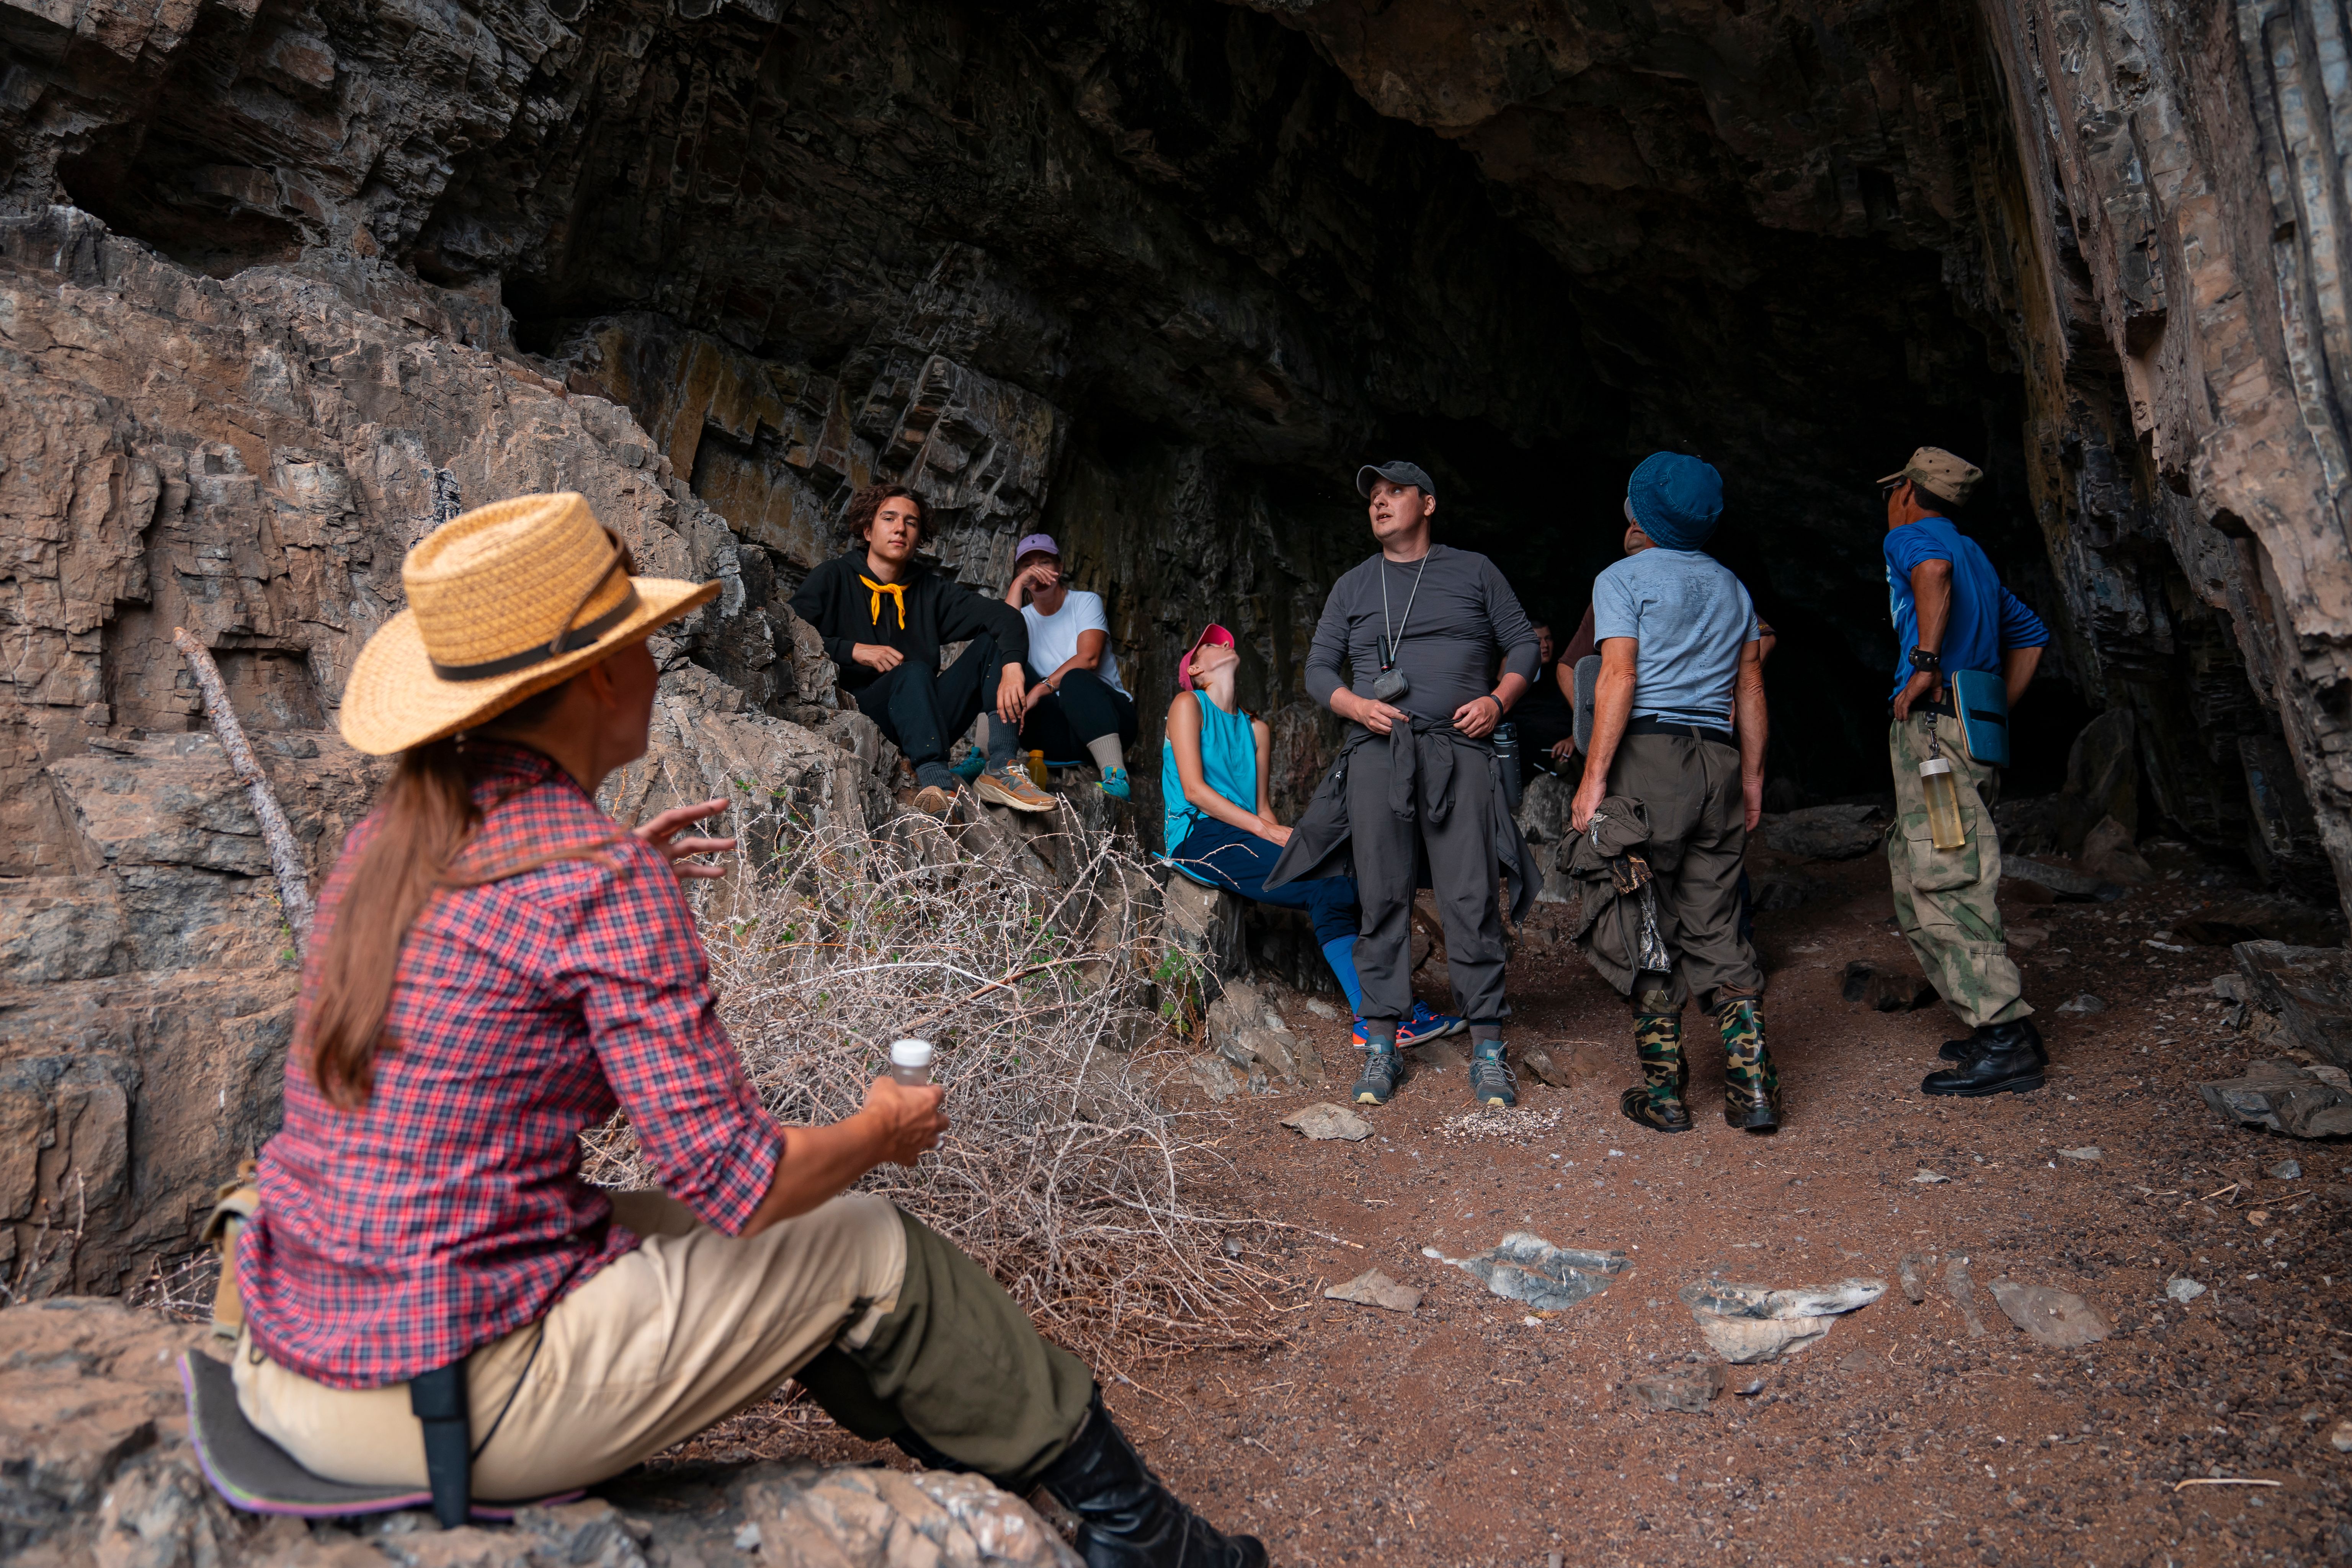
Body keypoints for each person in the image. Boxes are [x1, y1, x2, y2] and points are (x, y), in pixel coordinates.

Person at [230, 492, 1263, 1568]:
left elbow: (498, 980)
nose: (654, 659)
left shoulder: (397, 838)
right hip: (438, 1398)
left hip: (299, 1349)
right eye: (641, 641)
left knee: (659, 1219)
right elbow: (744, 1183)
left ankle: (1043, 1495)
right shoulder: (591, 883)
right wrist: (879, 1129)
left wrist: (621, 865)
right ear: (594, 679)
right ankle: (1147, 1539)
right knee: (862, 1238)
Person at [1270, 459, 1544, 1110]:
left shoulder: (1473, 570)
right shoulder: (1353, 586)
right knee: (1381, 897)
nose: (1379, 503)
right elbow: (1315, 669)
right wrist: (1354, 706)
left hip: (1459, 751)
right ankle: (1383, 1045)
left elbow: (1524, 647)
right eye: (1372, 496)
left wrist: (1499, 702)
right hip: (1375, 754)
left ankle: (1486, 1049)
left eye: (1394, 493)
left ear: (1427, 503)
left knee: (1470, 895)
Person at [1566, 452, 1778, 1135]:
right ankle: (1751, 1089)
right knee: (1715, 919)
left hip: (1646, 759)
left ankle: (1664, 1095)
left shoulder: (1621, 579)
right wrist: (1749, 776)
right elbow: (1749, 687)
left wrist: (1594, 777)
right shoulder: (1733, 590)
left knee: (1642, 916)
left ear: (1638, 512)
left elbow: (1616, 678)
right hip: (1716, 757)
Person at [1162, 622, 1463, 1050]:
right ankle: (1372, 1018)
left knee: (1352, 877)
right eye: (1208, 644)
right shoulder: (1187, 704)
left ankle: (1400, 1006)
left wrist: (1294, 841)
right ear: (1195, 669)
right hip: (1199, 835)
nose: (1219, 643)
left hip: (1245, 830)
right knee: (1325, 890)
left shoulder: (1256, 730)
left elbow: (1262, 807)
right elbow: (1194, 790)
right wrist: (1267, 831)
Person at [1877, 447, 2050, 1096]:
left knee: (1945, 879)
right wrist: (1991, 706)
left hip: (1933, 736)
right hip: (1968, 733)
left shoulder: (1912, 537)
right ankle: (1995, 1027)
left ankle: (2004, 1039)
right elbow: (2028, 634)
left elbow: (1929, 570)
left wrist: (1925, 664)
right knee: (1933, 870)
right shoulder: (1973, 551)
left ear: (1906, 491)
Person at [789, 486, 1053, 816]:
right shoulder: (833, 576)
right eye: (889, 518)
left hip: (928, 717)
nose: (900, 528)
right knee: (914, 670)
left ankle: (1002, 766)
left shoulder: (930, 590)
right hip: (865, 717)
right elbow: (789, 634)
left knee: (994, 641)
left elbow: (1006, 617)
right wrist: (853, 650)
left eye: (911, 522)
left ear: (919, 537)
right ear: (868, 531)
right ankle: (937, 784)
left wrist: (1013, 668)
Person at [1000, 534, 1138, 800]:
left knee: (1075, 676)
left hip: (1107, 722)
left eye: (1044, 562)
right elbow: (1001, 639)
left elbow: (1089, 658)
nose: (1037, 572)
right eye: (1028, 566)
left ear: (1060, 568)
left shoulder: (1085, 602)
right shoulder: (1022, 618)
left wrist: (1038, 691)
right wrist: (1018, 586)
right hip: (1055, 737)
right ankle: (985, 762)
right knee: (1002, 662)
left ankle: (1116, 776)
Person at [1508, 621, 1577, 777]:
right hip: (1527, 759)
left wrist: (1573, 740)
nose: (1545, 645)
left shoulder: (1564, 673)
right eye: (1538, 641)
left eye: (1549, 638)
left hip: (1563, 752)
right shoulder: (1515, 676)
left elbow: (1586, 716)